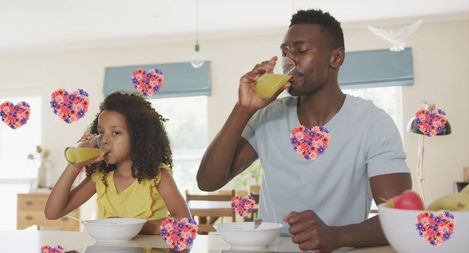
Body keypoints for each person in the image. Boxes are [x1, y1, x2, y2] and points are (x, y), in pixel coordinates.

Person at [196, 9, 411, 252]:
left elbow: (400, 218)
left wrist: (336, 236)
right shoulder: (267, 116)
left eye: (300, 50)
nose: (289, 61)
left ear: (336, 58)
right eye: (285, 52)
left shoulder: (373, 123)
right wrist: (243, 109)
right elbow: (207, 181)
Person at [45, 92, 190, 234]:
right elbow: (52, 213)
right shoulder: (100, 178)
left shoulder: (158, 176)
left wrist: (135, 227)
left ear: (138, 136)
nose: (105, 140)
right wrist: (75, 164)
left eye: (116, 133)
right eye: (101, 133)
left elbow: (184, 222)